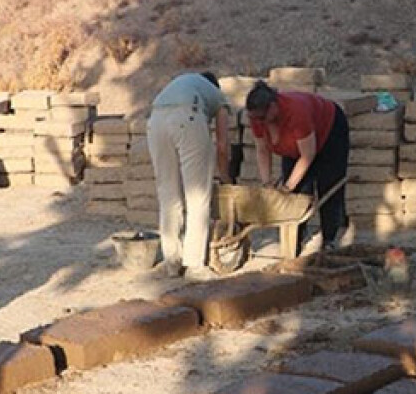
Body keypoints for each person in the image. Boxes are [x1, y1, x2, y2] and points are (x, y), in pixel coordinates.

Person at [245, 80, 351, 252]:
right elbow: (262, 150)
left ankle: (329, 238)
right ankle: (297, 238)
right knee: (297, 194)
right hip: (296, 147)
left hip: (329, 131)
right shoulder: (258, 118)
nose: (260, 122)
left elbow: (307, 155)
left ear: (273, 107)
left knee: (328, 185)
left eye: (263, 118)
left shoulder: (296, 112)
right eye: (255, 119)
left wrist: (287, 186)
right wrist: (267, 182)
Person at [147, 71, 231, 279]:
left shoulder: (184, 83)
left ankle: (172, 262)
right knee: (198, 196)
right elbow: (222, 146)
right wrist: (225, 176)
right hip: (187, 118)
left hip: (155, 121)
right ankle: (194, 265)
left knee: (168, 195)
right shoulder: (218, 97)